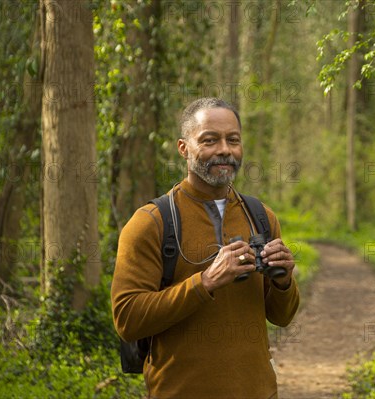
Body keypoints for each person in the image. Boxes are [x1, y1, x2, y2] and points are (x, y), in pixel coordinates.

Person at [111, 97, 300, 398]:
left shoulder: (261, 217)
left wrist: (284, 281)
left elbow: (282, 316)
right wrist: (205, 282)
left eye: (233, 140)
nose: (224, 149)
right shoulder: (150, 222)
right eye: (210, 140)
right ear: (184, 148)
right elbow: (128, 319)